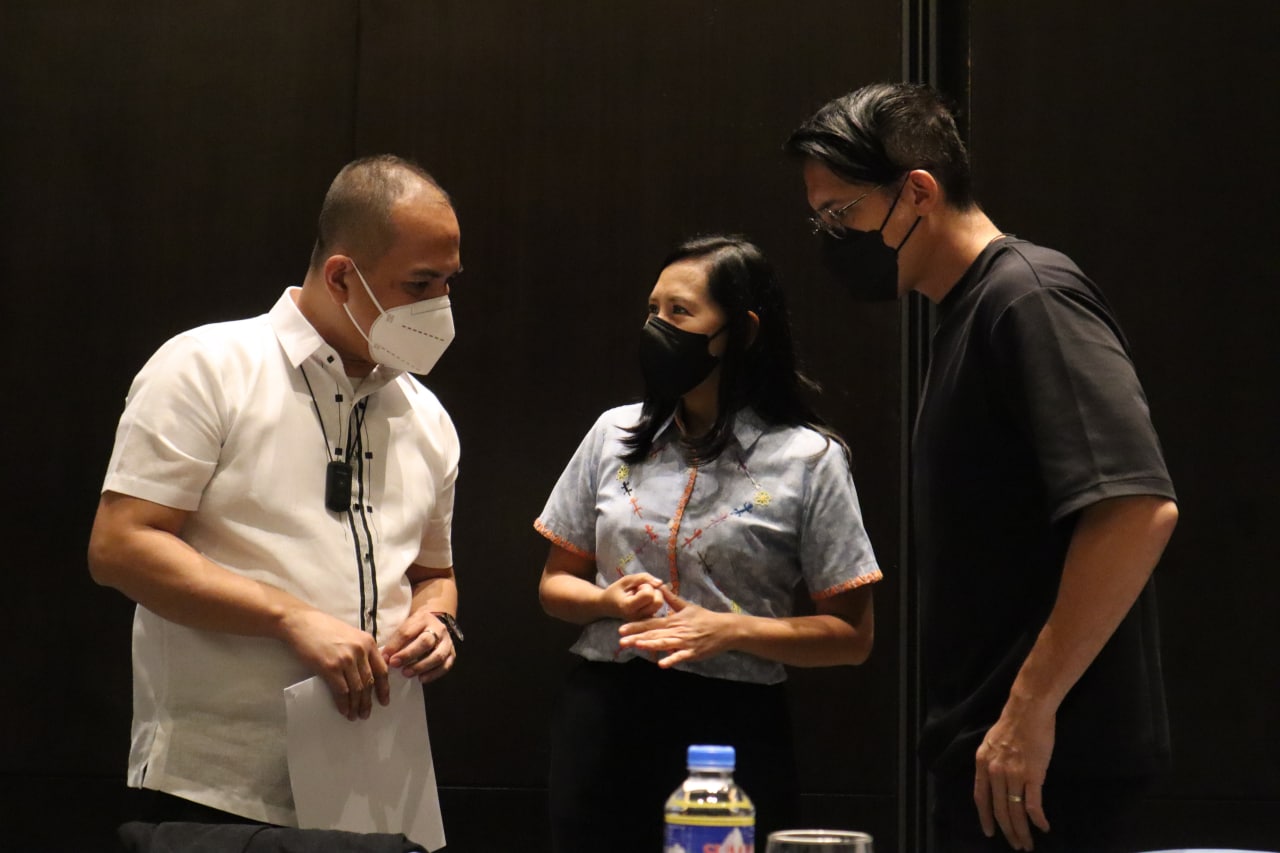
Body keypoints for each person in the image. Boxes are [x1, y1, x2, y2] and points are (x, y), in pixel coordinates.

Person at [786, 83, 1179, 853]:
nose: (832, 238)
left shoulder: (1029, 297)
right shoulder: (965, 312)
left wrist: (1028, 708)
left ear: (918, 192)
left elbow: (1136, 509)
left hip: (1051, 770)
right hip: (995, 759)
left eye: (841, 214)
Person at [87, 154, 466, 828]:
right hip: (216, 787)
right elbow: (120, 546)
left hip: (375, 786)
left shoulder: (426, 415)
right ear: (342, 276)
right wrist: (291, 617)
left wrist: (437, 621)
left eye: (448, 281)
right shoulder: (207, 365)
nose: (440, 305)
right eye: (420, 282)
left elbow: (433, 575)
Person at [534, 235, 881, 853]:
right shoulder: (612, 433)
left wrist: (727, 630)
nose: (657, 327)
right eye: (653, 310)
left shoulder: (810, 458)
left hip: (733, 725)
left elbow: (852, 637)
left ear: (741, 332)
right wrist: (608, 601)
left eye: (680, 312)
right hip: (605, 714)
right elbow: (554, 586)